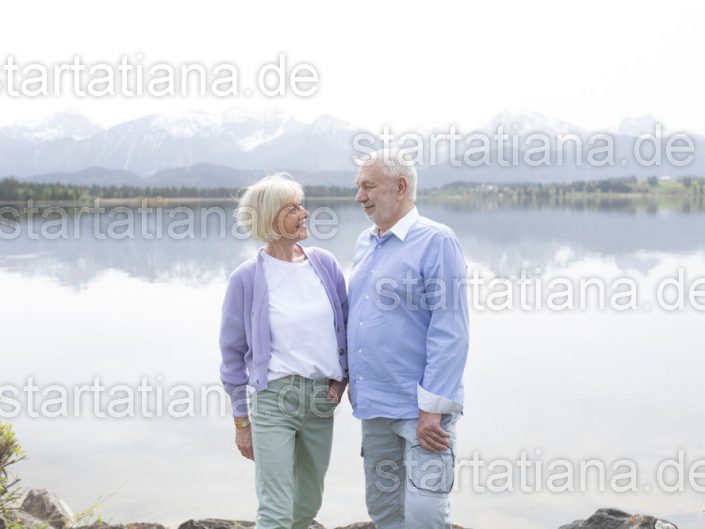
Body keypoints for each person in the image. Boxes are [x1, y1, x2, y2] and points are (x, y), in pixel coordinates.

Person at [347, 150, 469, 528]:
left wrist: (433, 408)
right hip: (375, 406)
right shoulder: (364, 242)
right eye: (358, 187)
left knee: (424, 512)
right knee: (384, 510)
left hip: (422, 411)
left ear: (400, 187)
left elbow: (451, 330)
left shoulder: (437, 240)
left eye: (368, 186)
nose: (359, 197)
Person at [219, 173, 348, 529]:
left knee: (306, 505)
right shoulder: (246, 278)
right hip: (274, 400)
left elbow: (347, 330)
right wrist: (241, 421)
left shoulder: (325, 264)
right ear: (270, 218)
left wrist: (342, 383)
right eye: (293, 209)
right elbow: (232, 355)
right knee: (275, 512)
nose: (304, 214)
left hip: (321, 401)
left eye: (301, 205)